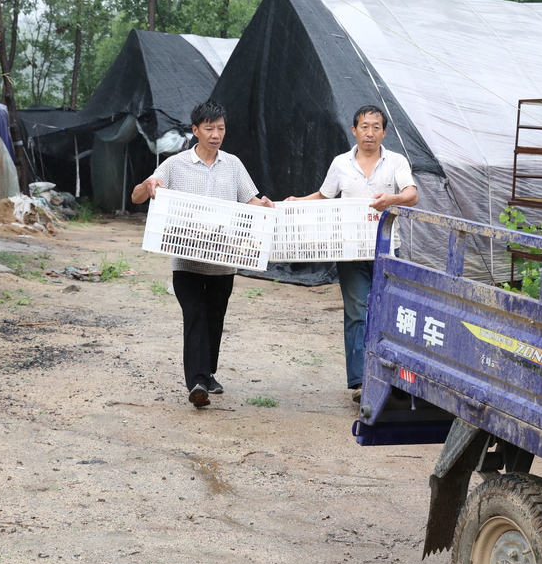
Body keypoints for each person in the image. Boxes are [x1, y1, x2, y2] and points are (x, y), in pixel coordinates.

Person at [132, 100, 274, 410]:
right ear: (195, 130)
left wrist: (264, 206)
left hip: (223, 262)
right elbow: (138, 196)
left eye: (220, 128)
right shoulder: (175, 164)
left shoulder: (233, 164)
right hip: (186, 260)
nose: (215, 134)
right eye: (209, 128)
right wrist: (149, 183)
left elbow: (250, 201)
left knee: (215, 318)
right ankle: (196, 382)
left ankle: (207, 373)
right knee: (194, 315)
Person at [287, 105, 418, 401]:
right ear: (354, 130)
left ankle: (389, 377)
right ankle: (361, 382)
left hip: (386, 249)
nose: (369, 133)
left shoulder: (396, 161)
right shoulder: (341, 163)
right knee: (358, 311)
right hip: (349, 249)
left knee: (387, 311)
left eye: (375, 127)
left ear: (384, 132)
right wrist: (298, 202)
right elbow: (324, 196)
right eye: (364, 126)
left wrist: (393, 198)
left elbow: (412, 194)